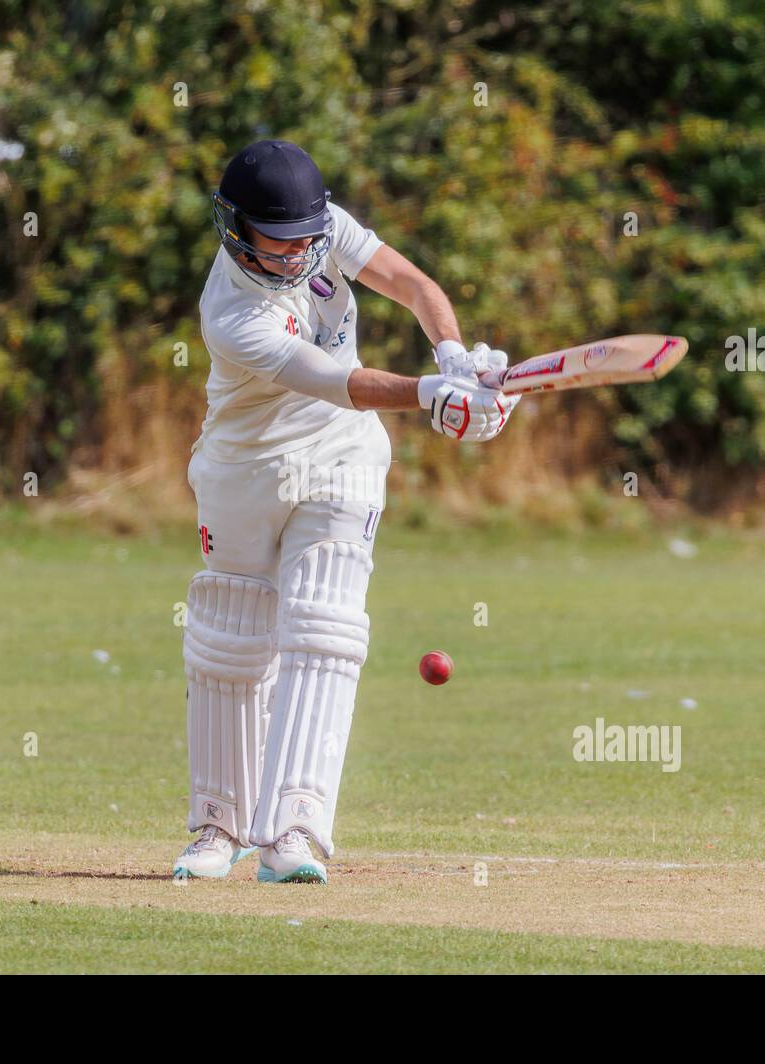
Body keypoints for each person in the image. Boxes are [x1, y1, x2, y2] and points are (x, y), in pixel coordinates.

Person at [174, 140, 517, 883]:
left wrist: (454, 356)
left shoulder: (325, 227)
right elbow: (339, 381)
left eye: (307, 237)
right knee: (234, 640)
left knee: (325, 628)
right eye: (279, 239)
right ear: (236, 229)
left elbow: (412, 284)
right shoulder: (232, 311)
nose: (299, 253)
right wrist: (431, 395)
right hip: (246, 468)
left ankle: (293, 831)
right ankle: (217, 825)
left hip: (341, 458)